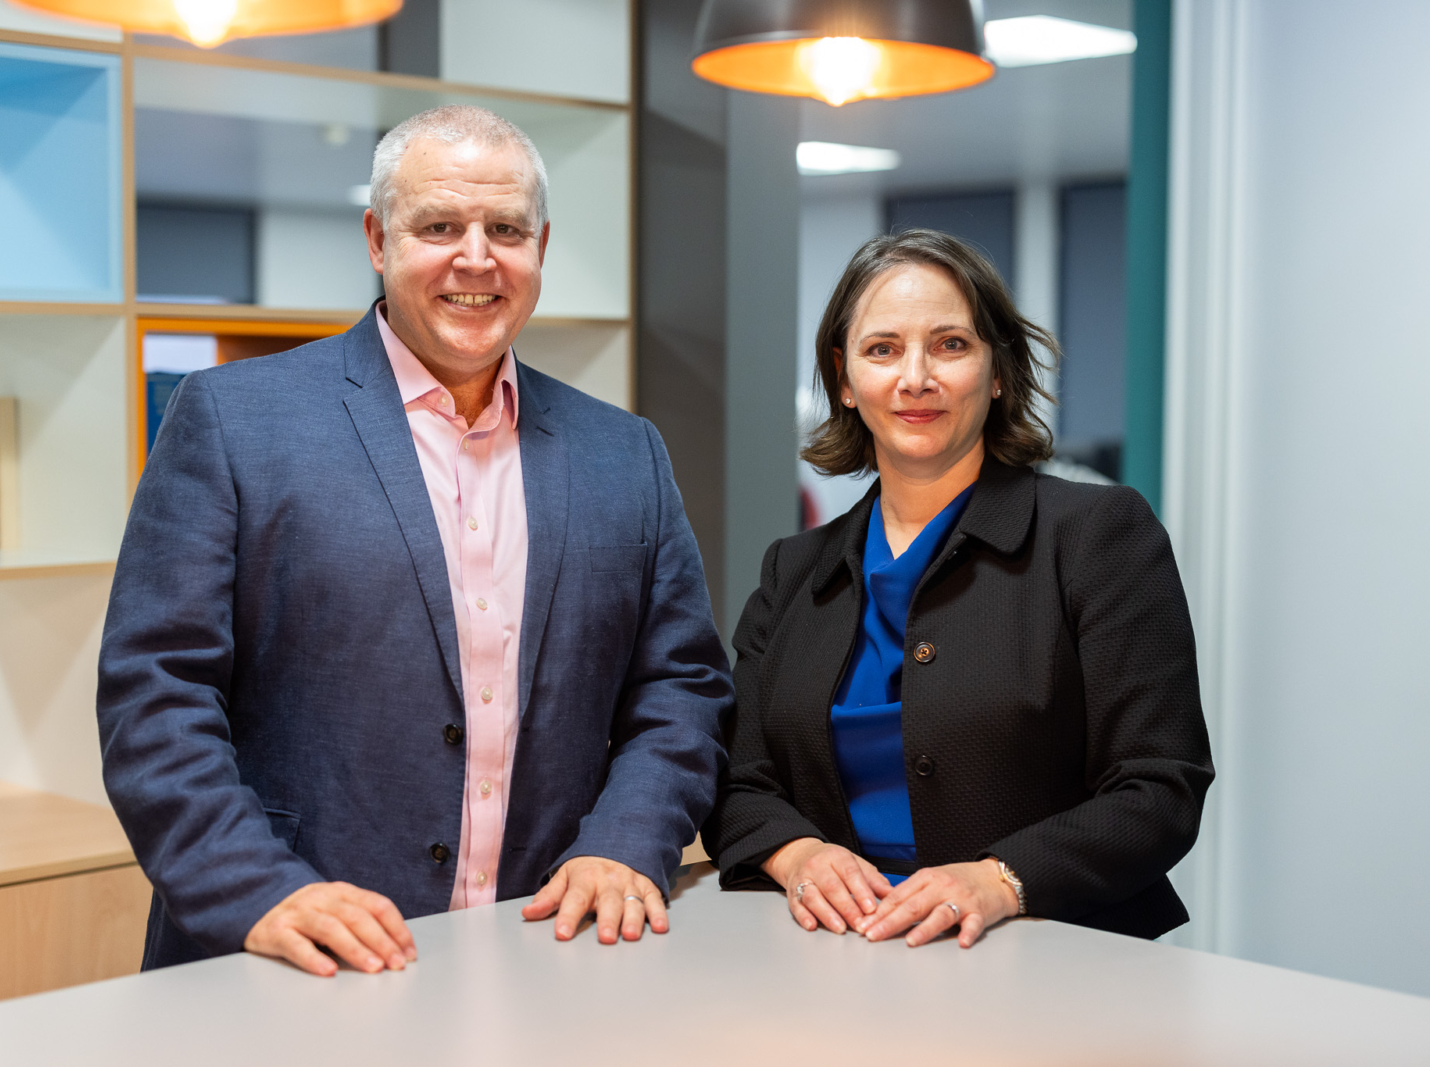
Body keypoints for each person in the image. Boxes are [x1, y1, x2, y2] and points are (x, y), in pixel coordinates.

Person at [98, 105, 731, 976]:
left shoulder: (626, 452)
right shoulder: (234, 419)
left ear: (540, 246)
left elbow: (682, 687)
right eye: (439, 225)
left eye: (505, 228)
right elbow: (155, 693)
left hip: (546, 951)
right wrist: (255, 888)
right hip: (287, 953)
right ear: (377, 239)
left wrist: (627, 840)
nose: (477, 258)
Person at [701, 230, 1213, 947]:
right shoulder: (793, 569)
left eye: (949, 344)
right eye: (882, 349)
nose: (916, 377)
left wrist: (1001, 878)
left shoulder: (1098, 535)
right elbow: (735, 776)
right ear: (844, 380)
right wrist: (800, 855)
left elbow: (1161, 786)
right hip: (834, 955)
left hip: (1046, 951)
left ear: (998, 371)